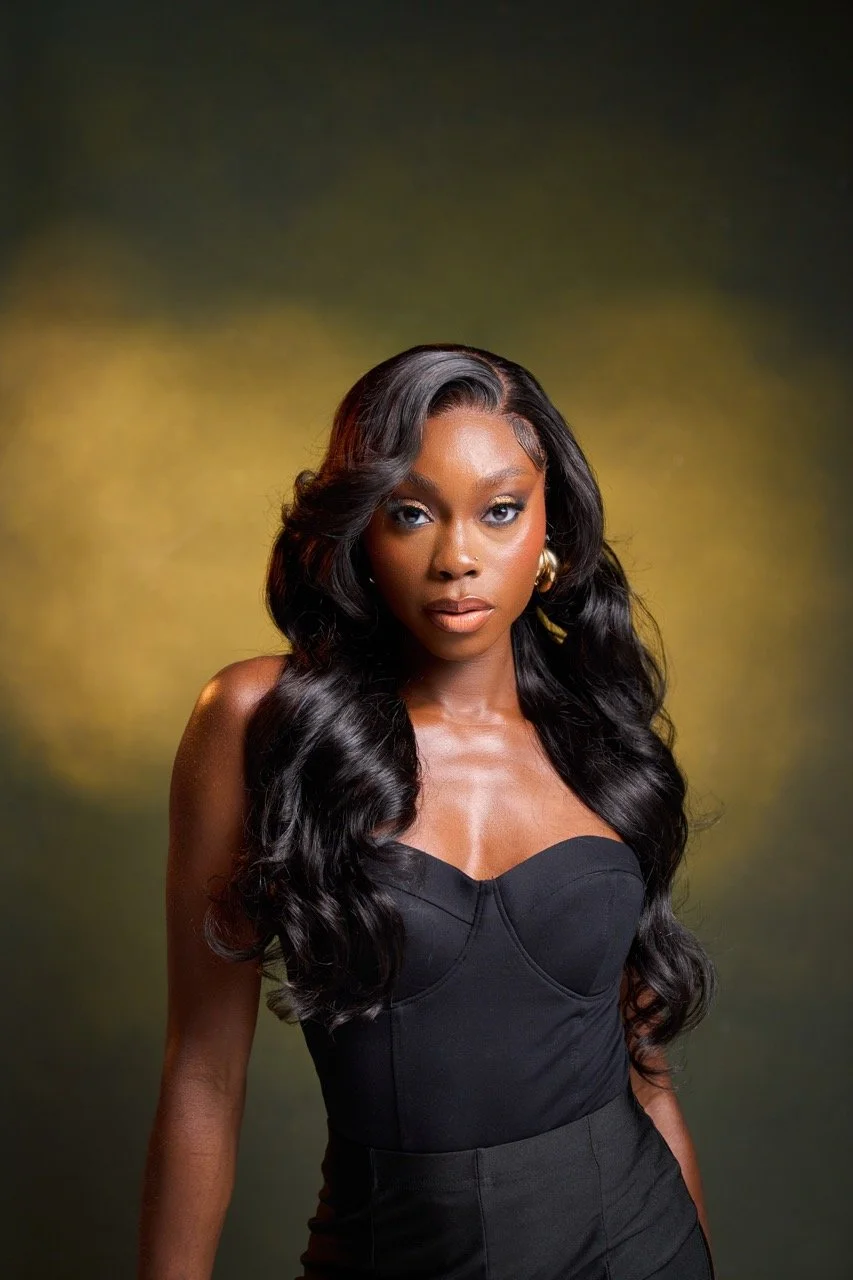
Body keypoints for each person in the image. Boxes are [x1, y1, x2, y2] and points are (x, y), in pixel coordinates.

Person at [138, 343, 719, 1280]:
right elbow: (205, 1074)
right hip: (390, 1252)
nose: (456, 558)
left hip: (635, 1245)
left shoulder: (601, 738)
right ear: (362, 531)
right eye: (411, 513)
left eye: (499, 512)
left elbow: (643, 1074)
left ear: (549, 531)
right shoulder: (260, 721)